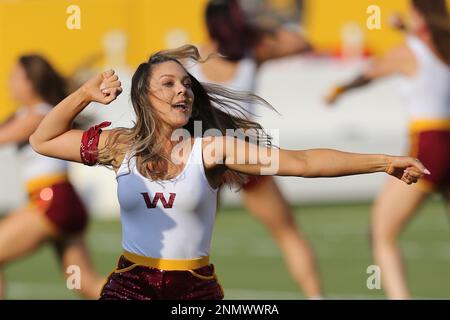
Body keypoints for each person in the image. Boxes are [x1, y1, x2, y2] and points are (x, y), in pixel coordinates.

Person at [29, 44, 428, 300]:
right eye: (167, 84)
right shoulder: (119, 146)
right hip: (129, 287)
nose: (182, 90)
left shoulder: (213, 149)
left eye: (186, 84)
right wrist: (84, 93)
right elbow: (43, 139)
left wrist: (385, 161)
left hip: (195, 293)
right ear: (144, 97)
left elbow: (303, 163)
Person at [188, 0, 322, 298]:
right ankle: (316, 297)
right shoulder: (251, 51)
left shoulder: (191, 58)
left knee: (192, 239)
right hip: (246, 146)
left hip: (203, 146)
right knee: (286, 232)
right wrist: (262, 22)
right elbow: (300, 42)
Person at [325, 0, 450, 299]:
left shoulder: (408, 51)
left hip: (431, 144)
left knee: (382, 233)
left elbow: (369, 74)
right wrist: (407, 29)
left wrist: (338, 91)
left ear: (417, 13)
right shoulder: (443, 46)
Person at [0, 55, 105, 299]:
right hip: (64, 202)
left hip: (51, 200)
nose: (9, 82)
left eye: (15, 77)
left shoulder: (38, 115)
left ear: (30, 82)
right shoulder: (34, 114)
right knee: (86, 284)